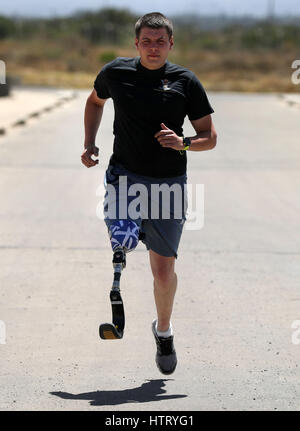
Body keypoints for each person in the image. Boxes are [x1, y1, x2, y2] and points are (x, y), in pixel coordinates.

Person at [82, 12, 217, 375]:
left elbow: (210, 137)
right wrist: (89, 144)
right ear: (136, 43)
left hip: (169, 184)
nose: (153, 47)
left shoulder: (186, 82)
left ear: (170, 44)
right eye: (147, 41)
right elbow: (95, 101)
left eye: (160, 41)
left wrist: (183, 142)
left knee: (162, 272)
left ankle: (163, 330)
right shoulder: (116, 73)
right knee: (123, 236)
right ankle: (123, 236)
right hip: (124, 176)